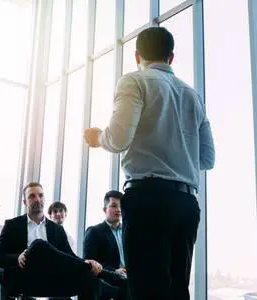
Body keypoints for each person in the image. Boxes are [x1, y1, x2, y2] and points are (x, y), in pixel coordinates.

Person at [84, 27, 215, 300]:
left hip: (148, 200)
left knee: (145, 290)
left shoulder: (135, 81)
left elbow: (119, 139)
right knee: (177, 290)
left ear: (137, 56)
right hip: (187, 204)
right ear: (172, 57)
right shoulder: (192, 95)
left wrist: (98, 138)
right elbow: (207, 158)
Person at [0, 182, 118, 299]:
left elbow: (69, 257)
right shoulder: (12, 225)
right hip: (24, 277)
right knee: (39, 245)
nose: (37, 199)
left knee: (90, 280)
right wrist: (17, 258)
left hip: (53, 278)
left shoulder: (57, 229)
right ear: (25, 202)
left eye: (40, 195)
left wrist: (86, 262)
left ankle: (117, 286)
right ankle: (107, 274)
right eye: (32, 196)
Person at [84, 190, 130, 299]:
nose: (118, 210)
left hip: (130, 280)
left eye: (120, 206)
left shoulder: (128, 231)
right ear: (105, 209)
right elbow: (90, 263)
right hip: (109, 283)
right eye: (114, 206)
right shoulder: (94, 232)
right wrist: (114, 271)